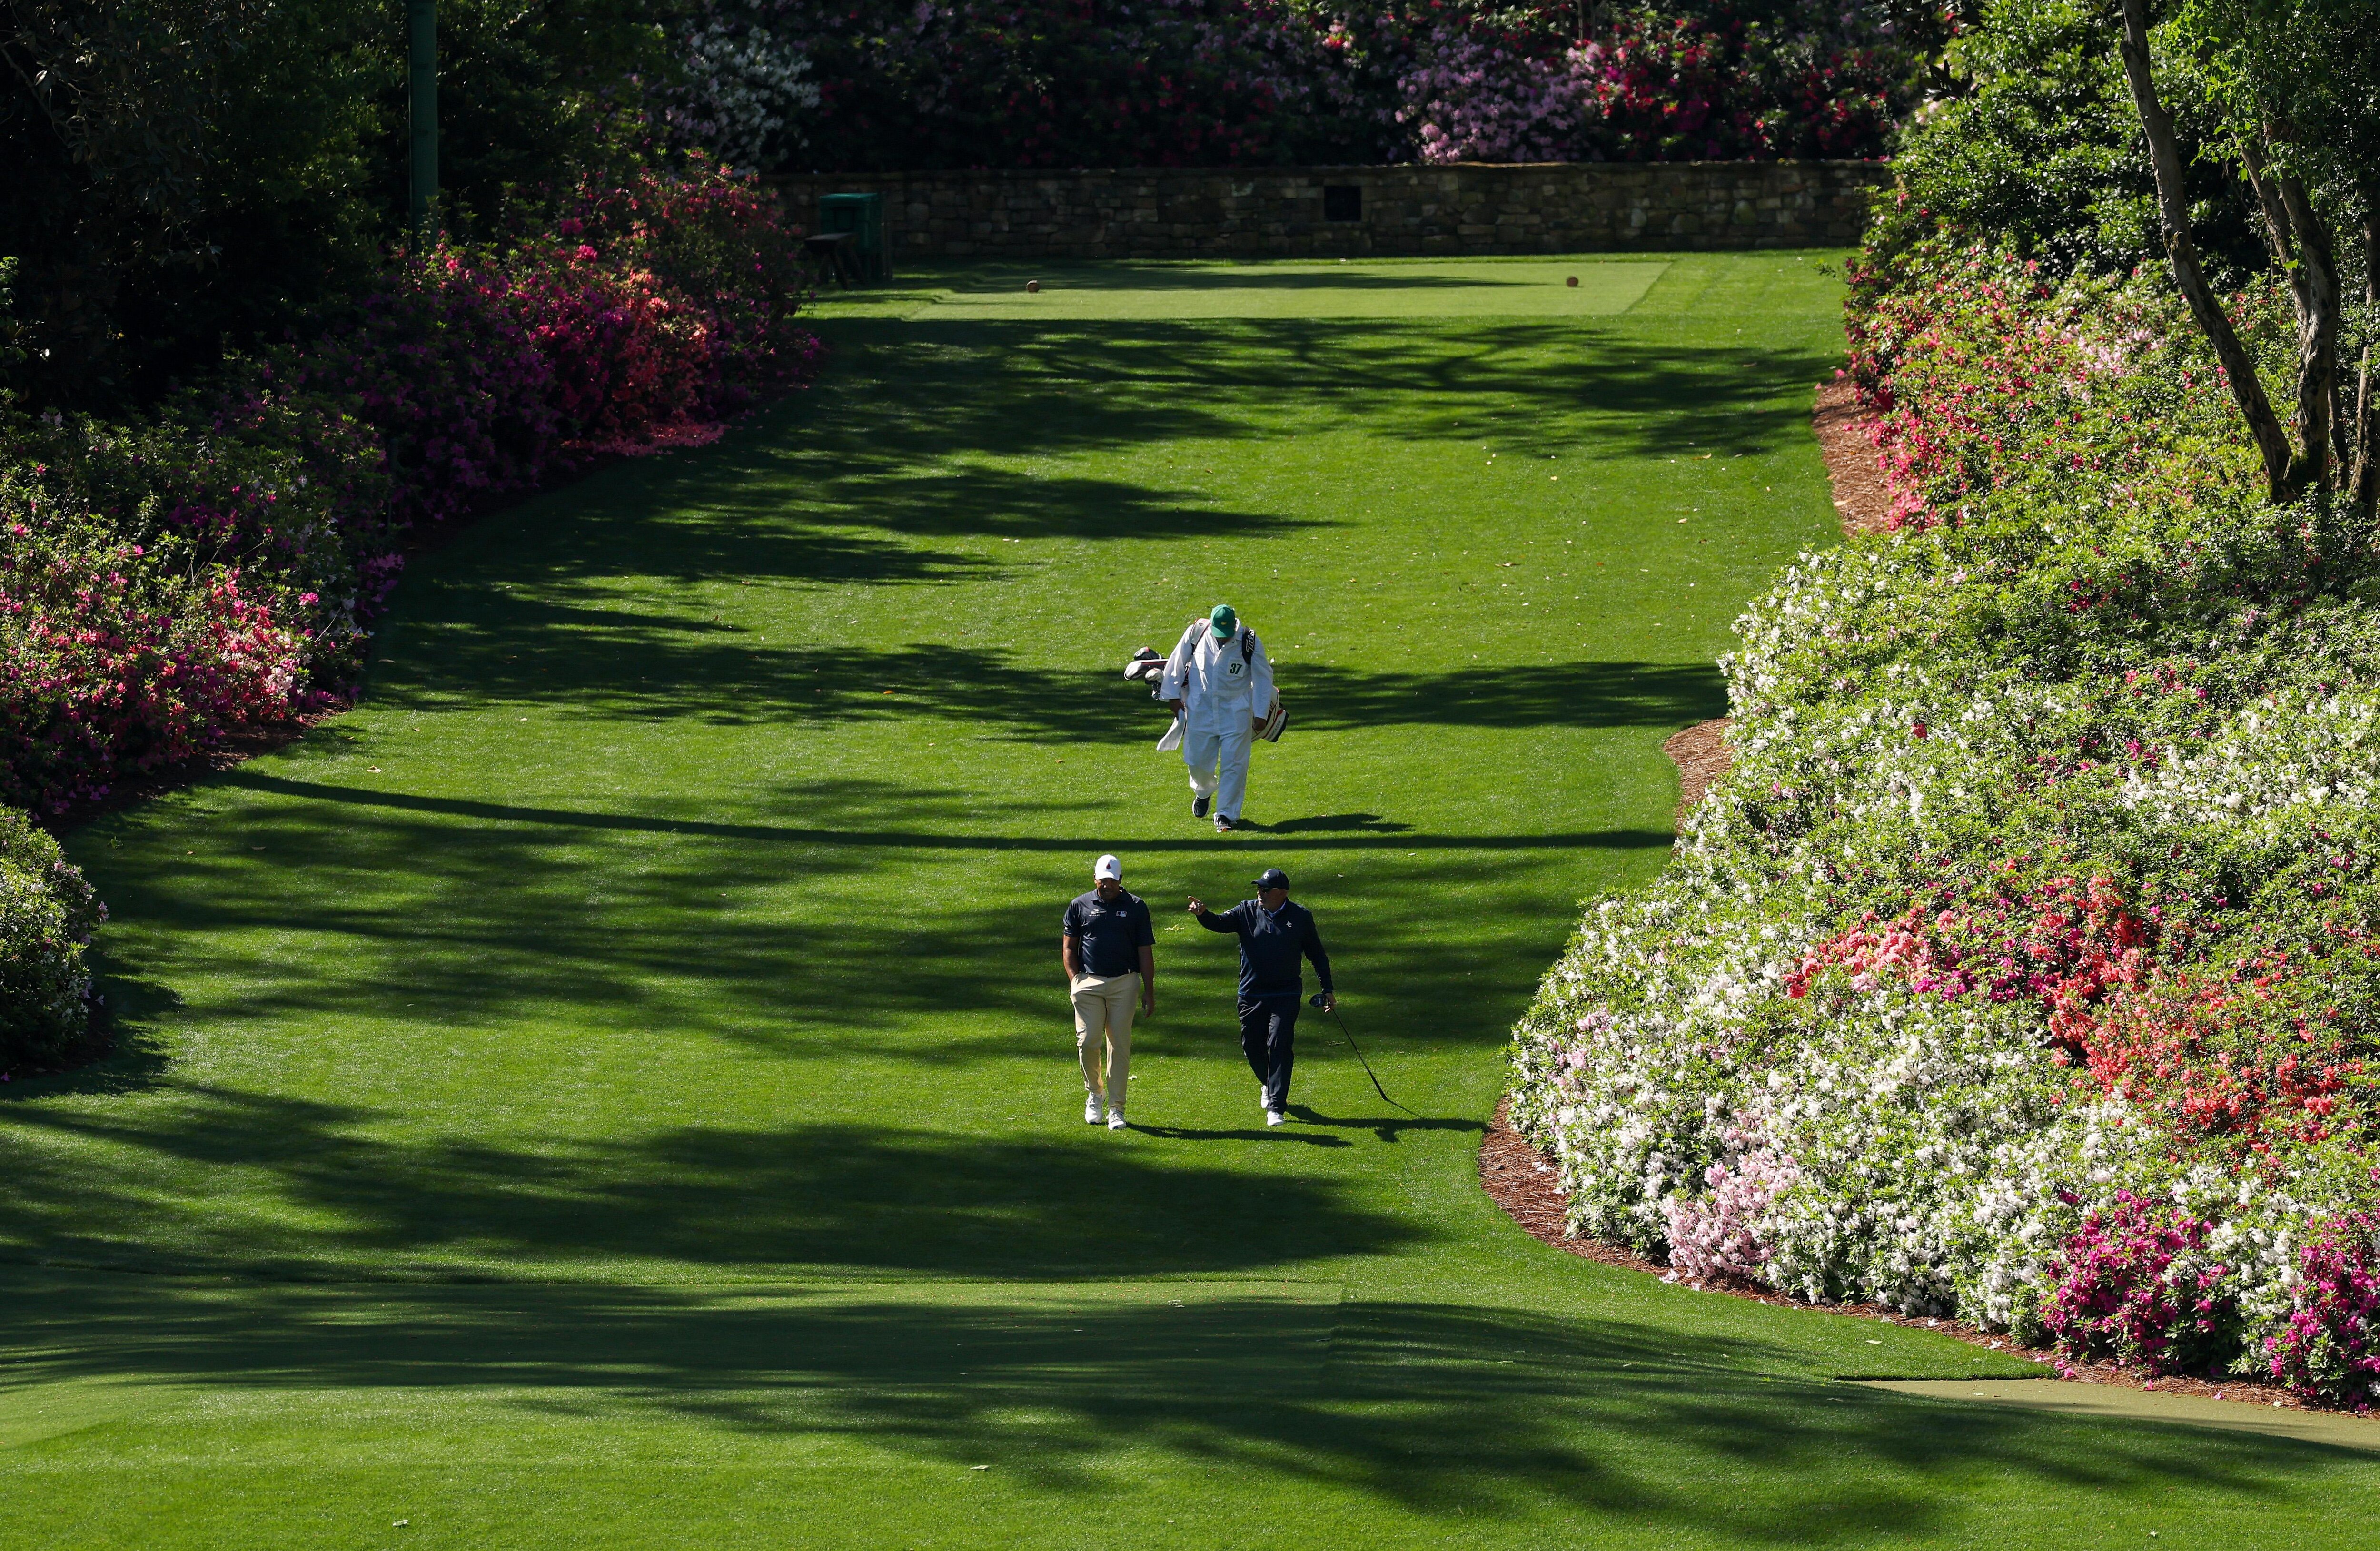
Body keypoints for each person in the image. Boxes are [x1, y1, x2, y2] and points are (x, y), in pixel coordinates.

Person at [1186, 866, 1333, 1127]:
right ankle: (1269, 1084)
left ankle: (1276, 1107)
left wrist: (1327, 989)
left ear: (1282, 893)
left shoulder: (1300, 917)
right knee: (1252, 1046)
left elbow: (1317, 955)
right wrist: (1203, 914)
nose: (1260, 892)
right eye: (1259, 888)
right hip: (1252, 994)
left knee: (1279, 1043)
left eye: (1266, 889)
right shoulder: (1246, 911)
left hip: (1286, 993)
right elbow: (1220, 924)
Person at [1062, 854, 1155, 1130]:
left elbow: (1145, 951)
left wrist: (1149, 991)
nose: (1107, 886)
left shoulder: (1136, 907)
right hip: (1088, 983)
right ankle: (1095, 1092)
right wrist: (1075, 980)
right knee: (1088, 1041)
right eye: (1103, 881)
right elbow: (1069, 947)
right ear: (1095, 879)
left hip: (1124, 983)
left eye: (1112, 881)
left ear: (1120, 880)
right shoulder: (1080, 905)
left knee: (1119, 1045)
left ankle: (1117, 1108)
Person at [1161, 603, 1272, 833]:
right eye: (1218, 634)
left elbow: (1263, 677)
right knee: (1196, 761)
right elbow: (1177, 661)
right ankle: (1203, 792)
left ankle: (1226, 815)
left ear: (1235, 626)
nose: (1222, 638)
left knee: (1235, 765)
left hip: (1236, 712)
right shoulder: (1197, 633)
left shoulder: (1249, 641)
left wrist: (1261, 713)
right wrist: (1172, 696)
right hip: (1201, 709)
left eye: (1226, 634)